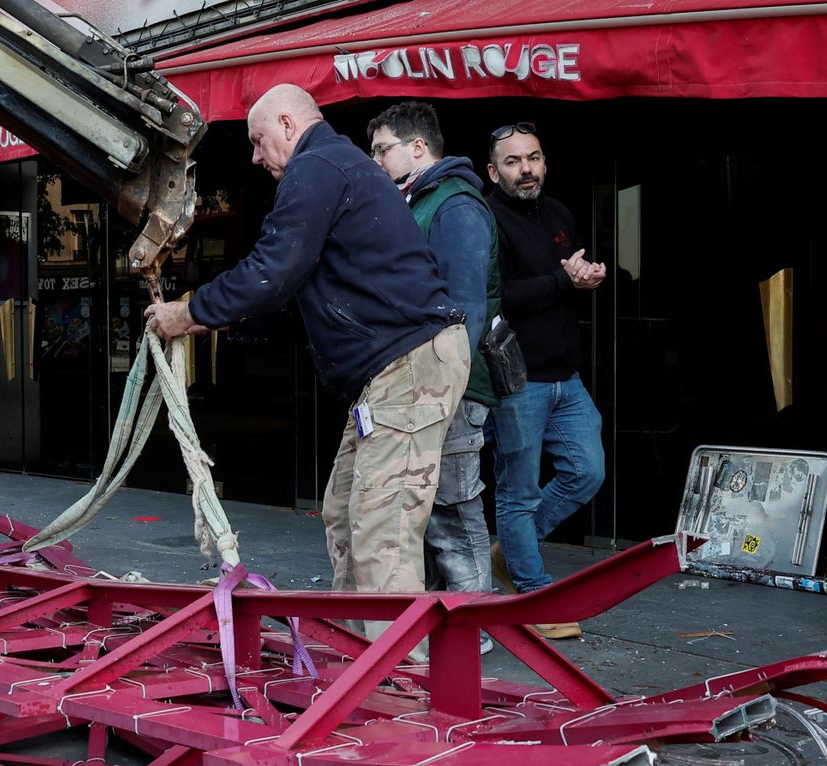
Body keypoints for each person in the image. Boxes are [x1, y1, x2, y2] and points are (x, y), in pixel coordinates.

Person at [146, 85, 468, 602]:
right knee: (344, 509)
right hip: (392, 370)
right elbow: (287, 289)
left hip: (407, 365)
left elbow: (273, 271)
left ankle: (394, 673)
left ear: (289, 125)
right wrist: (216, 320)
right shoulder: (333, 168)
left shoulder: (316, 168)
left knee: (380, 527)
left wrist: (187, 313)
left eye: (258, 140)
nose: (254, 157)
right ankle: (357, 650)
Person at [367, 101, 501, 622]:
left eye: (383, 150)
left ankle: (473, 625)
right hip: (430, 385)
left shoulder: (455, 207)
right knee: (432, 505)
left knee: (451, 504)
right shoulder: (424, 201)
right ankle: (452, 623)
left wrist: (441, 392)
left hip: (451, 388)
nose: (375, 161)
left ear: (417, 147)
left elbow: (464, 312)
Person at [484, 123, 607, 640]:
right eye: (513, 162)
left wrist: (588, 278)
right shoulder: (486, 218)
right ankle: (532, 595)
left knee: (587, 471)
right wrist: (563, 281)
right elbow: (498, 295)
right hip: (518, 380)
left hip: (565, 376)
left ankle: (511, 552)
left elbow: (567, 275)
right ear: (494, 172)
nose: (526, 169)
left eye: (533, 157)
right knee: (518, 492)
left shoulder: (558, 213)